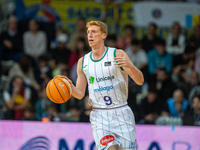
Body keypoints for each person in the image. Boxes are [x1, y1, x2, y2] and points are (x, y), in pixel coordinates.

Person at [55, 21, 144, 150]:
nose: (90, 35)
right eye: (88, 32)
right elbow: (80, 94)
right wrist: (68, 86)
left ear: (103, 35)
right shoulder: (83, 62)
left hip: (121, 112)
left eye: (94, 32)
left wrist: (131, 66)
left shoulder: (117, 55)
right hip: (99, 115)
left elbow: (140, 81)